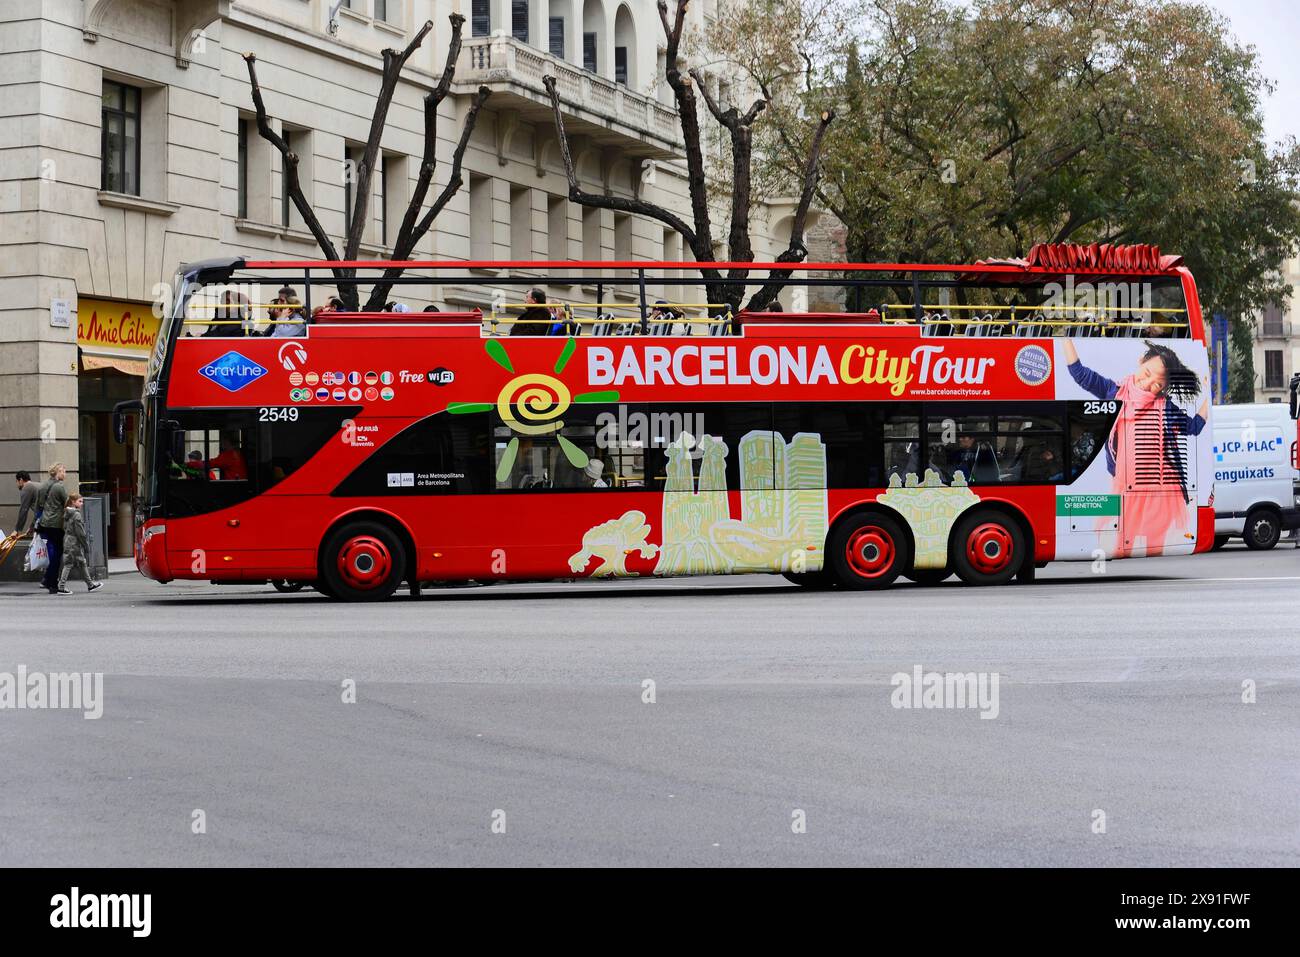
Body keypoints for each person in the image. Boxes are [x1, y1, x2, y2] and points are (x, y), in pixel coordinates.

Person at [1064, 339, 1208, 557]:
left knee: (1155, 547)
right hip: (1124, 487)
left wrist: (1209, 396)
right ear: (1141, 361)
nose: (1148, 384)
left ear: (1164, 389)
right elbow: (1080, 374)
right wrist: (1063, 337)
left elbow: (1193, 427)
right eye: (1147, 372)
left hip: (1160, 491)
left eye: (1158, 384)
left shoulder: (1165, 406)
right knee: (1116, 542)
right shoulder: (1114, 392)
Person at [54, 492, 102, 595]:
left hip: (68, 540)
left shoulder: (67, 513)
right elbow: (80, 533)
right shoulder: (76, 515)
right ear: (73, 502)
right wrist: (86, 545)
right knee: (69, 564)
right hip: (74, 542)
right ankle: (61, 587)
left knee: (81, 562)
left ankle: (90, 585)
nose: (82, 503)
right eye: (80, 501)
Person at [35, 462, 68, 593]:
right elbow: (67, 503)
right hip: (55, 523)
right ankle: (52, 582)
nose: (65, 474)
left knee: (51, 550)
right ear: (58, 473)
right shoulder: (59, 487)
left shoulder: (43, 486)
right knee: (57, 552)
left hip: (44, 522)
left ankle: (48, 579)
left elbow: (39, 505)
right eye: (63, 471)